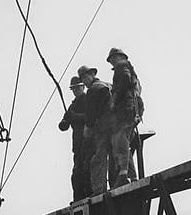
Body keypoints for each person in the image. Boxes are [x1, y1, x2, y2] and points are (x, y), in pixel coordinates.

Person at [77, 65, 119, 195]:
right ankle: (117, 185)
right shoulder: (108, 85)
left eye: (84, 78)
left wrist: (88, 129)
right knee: (116, 157)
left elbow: (91, 114)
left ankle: (99, 190)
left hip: (104, 129)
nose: (84, 81)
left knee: (98, 160)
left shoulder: (93, 89)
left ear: (90, 75)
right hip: (117, 126)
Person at [106, 47, 144, 185]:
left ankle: (123, 175)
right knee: (123, 142)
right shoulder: (130, 70)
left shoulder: (121, 66)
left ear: (118, 57)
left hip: (127, 109)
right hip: (133, 108)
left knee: (120, 141)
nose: (112, 63)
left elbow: (124, 81)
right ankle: (131, 176)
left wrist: (114, 99)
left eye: (112, 59)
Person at [58, 76, 91, 201]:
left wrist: (74, 117)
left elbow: (91, 118)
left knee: (87, 172)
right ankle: (78, 199)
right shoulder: (73, 106)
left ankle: (88, 196)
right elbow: (63, 125)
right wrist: (64, 121)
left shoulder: (89, 100)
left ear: (83, 87)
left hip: (89, 142)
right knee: (77, 175)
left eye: (77, 88)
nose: (75, 90)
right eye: (73, 89)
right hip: (78, 145)